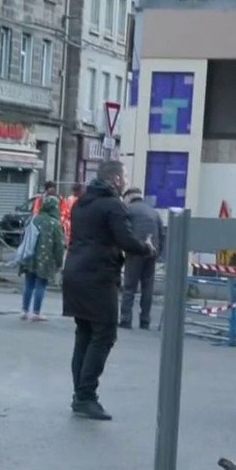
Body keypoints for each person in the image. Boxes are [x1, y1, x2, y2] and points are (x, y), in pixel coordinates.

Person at [61, 160, 155, 420]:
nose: (126, 181)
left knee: (84, 333)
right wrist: (146, 247)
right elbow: (125, 240)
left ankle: (80, 395)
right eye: (124, 177)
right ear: (116, 179)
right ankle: (86, 396)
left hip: (75, 273)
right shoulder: (113, 205)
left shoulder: (81, 203)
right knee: (104, 335)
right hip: (98, 276)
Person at [119, 187, 165, 329]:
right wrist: (157, 252)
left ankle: (126, 319)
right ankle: (145, 320)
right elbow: (162, 235)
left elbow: (123, 231)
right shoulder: (153, 212)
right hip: (152, 253)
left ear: (129, 197)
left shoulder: (128, 210)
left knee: (129, 287)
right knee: (147, 288)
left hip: (135, 252)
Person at [20, 194, 66, 321]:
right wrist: (59, 262)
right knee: (40, 285)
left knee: (29, 284)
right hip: (45, 259)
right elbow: (59, 246)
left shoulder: (34, 219)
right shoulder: (55, 224)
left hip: (30, 257)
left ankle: (24, 310)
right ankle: (36, 312)